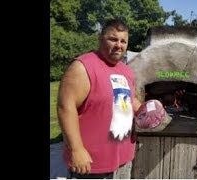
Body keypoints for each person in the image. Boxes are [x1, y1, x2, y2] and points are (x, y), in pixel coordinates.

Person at [57, 19, 141, 179]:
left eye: (123, 41)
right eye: (113, 39)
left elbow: (129, 99)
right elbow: (65, 107)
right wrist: (76, 149)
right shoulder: (82, 67)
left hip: (123, 158)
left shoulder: (126, 70)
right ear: (100, 38)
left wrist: (144, 111)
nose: (119, 45)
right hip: (90, 164)